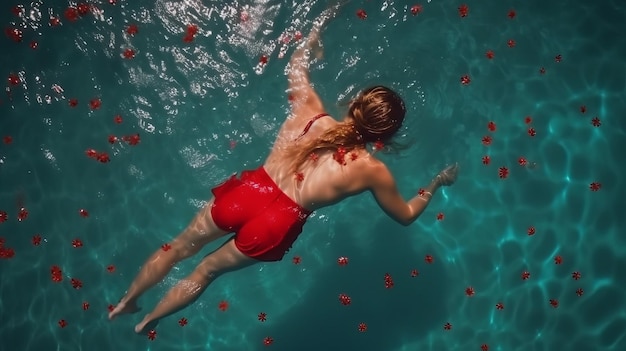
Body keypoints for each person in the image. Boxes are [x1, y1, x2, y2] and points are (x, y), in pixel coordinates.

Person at [108, 6, 459, 334]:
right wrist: (436, 183)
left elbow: (296, 64)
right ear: (386, 136)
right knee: (206, 270)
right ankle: (148, 322)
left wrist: (318, 29)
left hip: (250, 191)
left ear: (355, 103)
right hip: (278, 222)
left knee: (178, 247)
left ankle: (126, 302)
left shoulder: (310, 110)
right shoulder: (371, 170)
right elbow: (406, 215)